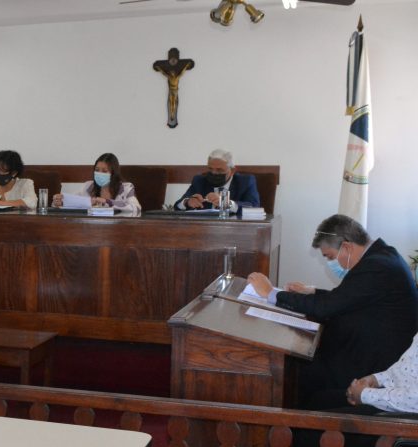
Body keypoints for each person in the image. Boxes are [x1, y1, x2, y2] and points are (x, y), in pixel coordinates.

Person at [247, 214, 418, 411]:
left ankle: (292, 424)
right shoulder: (382, 255)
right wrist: (312, 292)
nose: (330, 262)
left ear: (346, 247)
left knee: (301, 376)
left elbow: (327, 307)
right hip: (367, 349)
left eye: (329, 256)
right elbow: (348, 298)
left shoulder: (377, 266)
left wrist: (271, 293)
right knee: (302, 367)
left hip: (375, 364)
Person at [50, 153, 142, 213]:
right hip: (92, 229)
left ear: (113, 173)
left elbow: (136, 208)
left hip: (118, 229)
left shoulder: (126, 188)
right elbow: (73, 201)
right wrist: (60, 201)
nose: (99, 174)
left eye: (104, 171)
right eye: (97, 170)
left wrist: (107, 201)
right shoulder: (88, 186)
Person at [175, 149, 260, 212]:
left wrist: (226, 203)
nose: (214, 173)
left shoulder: (245, 181)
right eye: (210, 169)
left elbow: (254, 207)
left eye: (219, 170)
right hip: (205, 228)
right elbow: (177, 205)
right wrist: (187, 202)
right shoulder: (200, 181)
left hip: (236, 228)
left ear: (232, 171)